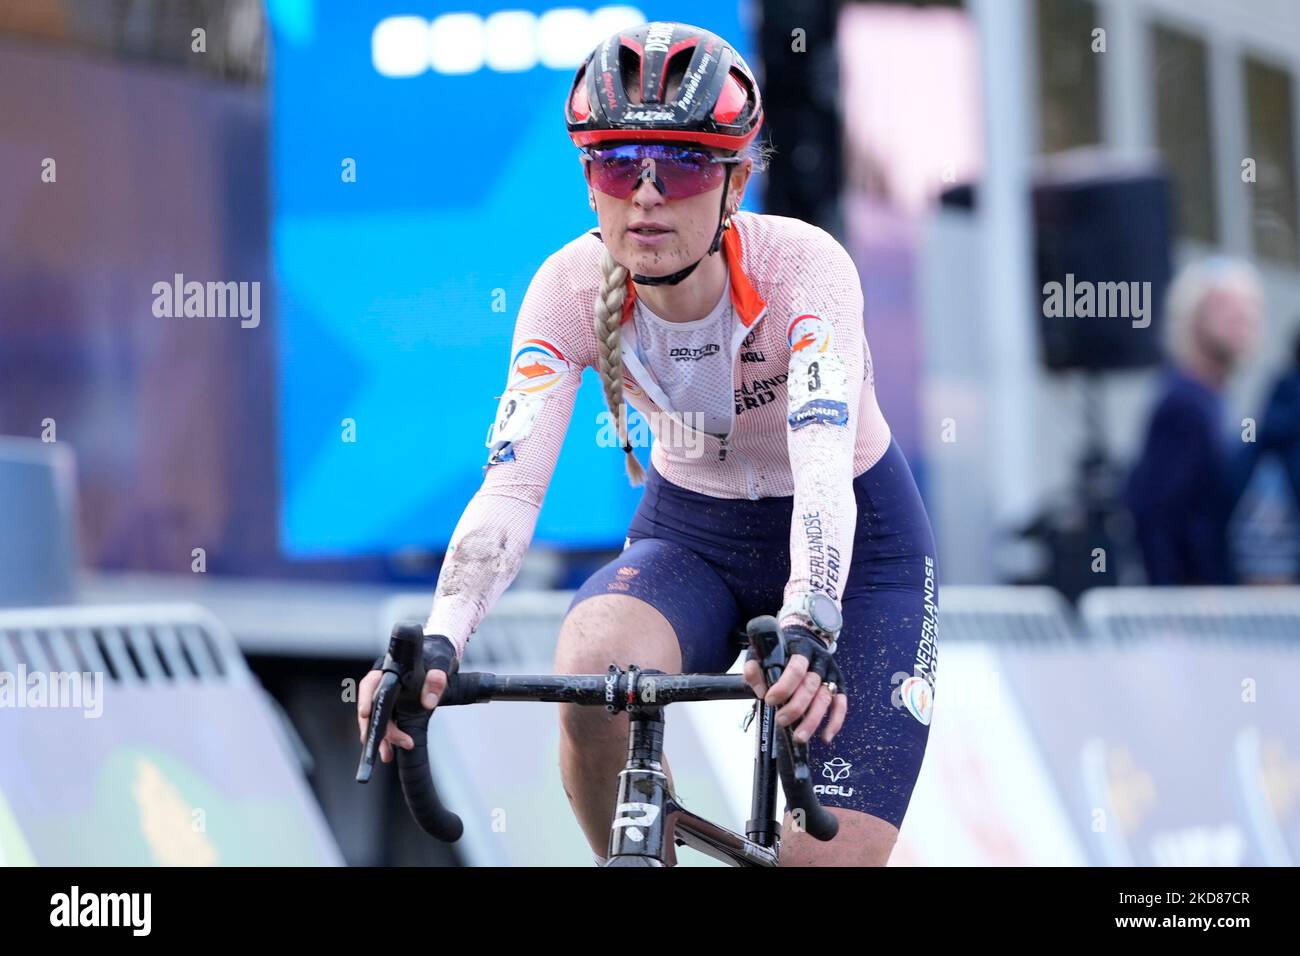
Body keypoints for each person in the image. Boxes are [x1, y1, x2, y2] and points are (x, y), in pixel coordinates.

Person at [358, 21, 938, 867]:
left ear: (736, 180)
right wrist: (443, 638)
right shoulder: (563, 290)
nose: (649, 195)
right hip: (694, 535)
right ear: (589, 179)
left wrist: (811, 619)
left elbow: (821, 471)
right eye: (618, 164)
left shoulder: (805, 269)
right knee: (591, 665)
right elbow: (511, 491)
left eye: (687, 163)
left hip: (857, 548)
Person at [1124, 257, 1263, 584]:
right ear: (1194, 316)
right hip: (1192, 613)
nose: (1241, 320)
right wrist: (1176, 611)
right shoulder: (1183, 405)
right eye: (1226, 308)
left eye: (1249, 310)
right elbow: (1158, 519)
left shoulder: (1213, 400)